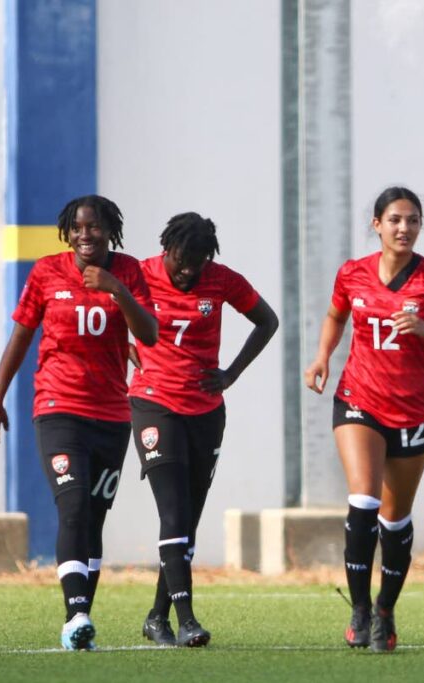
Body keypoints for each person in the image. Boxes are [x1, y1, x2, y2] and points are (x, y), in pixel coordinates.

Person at [304, 186, 424, 653]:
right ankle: (359, 611)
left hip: (414, 410)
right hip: (359, 398)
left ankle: (385, 609)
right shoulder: (352, 273)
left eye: (413, 221)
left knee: (395, 519)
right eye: (396, 220)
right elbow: (334, 315)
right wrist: (322, 356)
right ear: (377, 224)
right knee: (362, 499)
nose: (405, 228)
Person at [0, 195, 158, 650]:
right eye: (77, 228)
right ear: (67, 231)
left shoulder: (130, 271)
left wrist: (116, 288)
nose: (85, 235)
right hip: (57, 408)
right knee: (73, 505)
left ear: (109, 231)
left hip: (112, 416)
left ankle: (79, 619)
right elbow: (20, 335)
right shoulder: (46, 273)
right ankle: (76, 613)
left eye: (94, 227)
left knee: (92, 521)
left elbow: (150, 334)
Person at [129, 212, 279, 647]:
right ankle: (187, 620)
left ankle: (157, 618)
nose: (189, 269)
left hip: (207, 411)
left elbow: (267, 321)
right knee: (173, 513)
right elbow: (99, 307)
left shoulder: (222, 280)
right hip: (154, 406)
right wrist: (122, 343)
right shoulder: (139, 275)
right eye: (181, 260)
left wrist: (231, 373)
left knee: (187, 520)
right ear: (166, 250)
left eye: (198, 260)